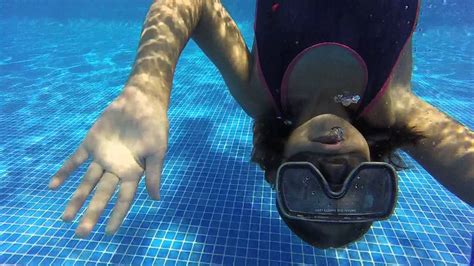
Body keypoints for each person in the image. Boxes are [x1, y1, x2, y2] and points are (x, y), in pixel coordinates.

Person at [47, 0, 473, 248]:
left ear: (277, 170)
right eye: (359, 187)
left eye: (307, 185)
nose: (333, 167)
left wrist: (147, 87)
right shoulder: (394, 108)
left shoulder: (260, 94)